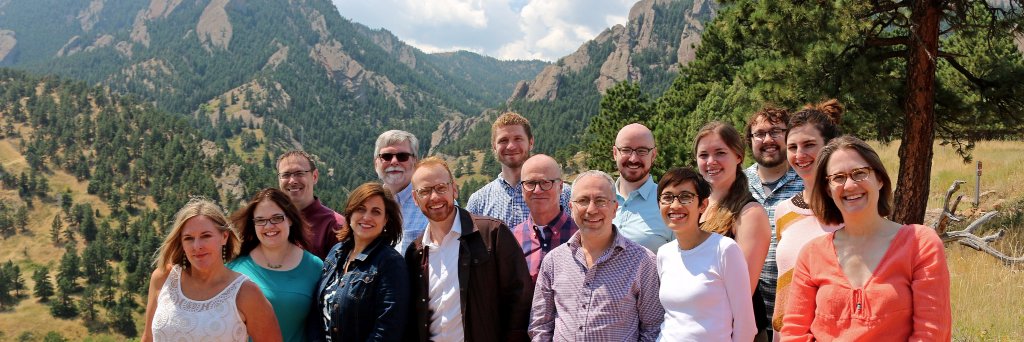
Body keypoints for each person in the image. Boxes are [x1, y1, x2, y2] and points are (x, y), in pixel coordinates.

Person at [781, 136, 951, 340]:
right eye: (838, 178)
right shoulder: (811, 254)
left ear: (879, 179)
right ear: (828, 189)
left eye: (859, 173)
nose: (850, 185)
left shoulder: (920, 244)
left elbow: (931, 333)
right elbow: (794, 333)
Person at [404, 157, 533, 341]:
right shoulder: (415, 253)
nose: (434, 197)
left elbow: (520, 298)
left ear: (454, 189)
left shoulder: (492, 234)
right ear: (416, 199)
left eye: (441, 187)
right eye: (425, 191)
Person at [529, 170, 664, 341]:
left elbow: (652, 328)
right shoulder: (554, 261)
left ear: (615, 208)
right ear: (571, 208)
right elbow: (540, 325)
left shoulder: (642, 261)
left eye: (600, 201)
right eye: (583, 201)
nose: (591, 210)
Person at [143, 198, 281, 342]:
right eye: (189, 238)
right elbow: (147, 338)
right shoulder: (163, 278)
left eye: (206, 236)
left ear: (224, 236)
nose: (197, 246)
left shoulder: (246, 292)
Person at [770, 100, 845, 337]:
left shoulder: (851, 209)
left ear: (829, 147)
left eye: (809, 145)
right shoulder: (783, 211)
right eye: (792, 147)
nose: (800, 155)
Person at [656, 167, 756, 341]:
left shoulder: (725, 249)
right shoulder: (664, 253)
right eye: (667, 197)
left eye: (685, 197)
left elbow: (745, 324)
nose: (675, 205)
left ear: (703, 205)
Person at [694, 121, 772, 340]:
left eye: (720, 153)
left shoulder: (750, 213)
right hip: (704, 326)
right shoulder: (700, 207)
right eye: (703, 155)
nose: (711, 162)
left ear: (738, 156)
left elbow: (742, 291)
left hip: (737, 332)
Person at [314, 182, 409, 341]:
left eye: (376, 212)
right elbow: (316, 314)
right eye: (361, 209)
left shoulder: (390, 263)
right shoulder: (335, 253)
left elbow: (388, 329)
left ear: (385, 220)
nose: (367, 217)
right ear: (350, 213)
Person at [228, 188, 324, 342]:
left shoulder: (315, 267)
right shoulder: (234, 267)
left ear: (290, 219)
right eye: (260, 220)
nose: (269, 226)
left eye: (277, 218)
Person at [743, 106, 804, 331]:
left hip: (798, 313)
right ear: (750, 140)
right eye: (759, 134)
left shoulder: (807, 180)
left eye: (776, 131)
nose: (767, 139)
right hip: (748, 315)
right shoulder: (738, 183)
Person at [467, 112, 570, 227]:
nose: (511, 146)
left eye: (518, 139)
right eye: (503, 140)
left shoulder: (563, 194)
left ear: (531, 143)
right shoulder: (478, 201)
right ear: (494, 147)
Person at [510, 154, 577, 282]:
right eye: (530, 183)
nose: (537, 190)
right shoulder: (512, 239)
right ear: (522, 189)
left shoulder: (580, 236)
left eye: (545, 183)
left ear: (561, 187)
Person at [612, 123, 672, 252]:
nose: (633, 159)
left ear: (653, 155)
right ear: (615, 153)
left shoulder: (669, 204)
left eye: (642, 151)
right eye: (626, 150)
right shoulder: (598, 201)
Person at [277, 150, 346, 259]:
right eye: (286, 175)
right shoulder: (271, 222)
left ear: (314, 176)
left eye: (299, 173)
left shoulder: (336, 226)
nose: (292, 181)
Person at [373, 130, 428, 254]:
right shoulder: (368, 205)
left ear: (415, 162)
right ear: (376, 163)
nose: (394, 161)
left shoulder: (434, 203)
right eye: (386, 156)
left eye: (402, 156)